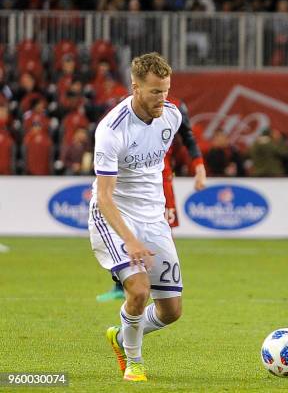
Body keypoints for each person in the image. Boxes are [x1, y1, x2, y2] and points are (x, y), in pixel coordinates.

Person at [89, 53, 186, 382]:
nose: (163, 99)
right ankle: (135, 363)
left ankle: (120, 335)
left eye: (167, 91)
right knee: (139, 290)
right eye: (155, 92)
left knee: (172, 311)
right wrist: (130, 239)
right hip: (115, 216)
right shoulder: (111, 130)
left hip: (153, 218)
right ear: (135, 88)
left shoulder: (172, 116)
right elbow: (103, 197)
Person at [96, 96, 206, 303]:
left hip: (161, 182)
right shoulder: (123, 112)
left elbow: (188, 137)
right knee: (128, 229)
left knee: (161, 230)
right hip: (131, 185)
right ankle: (125, 283)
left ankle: (158, 283)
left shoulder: (175, 109)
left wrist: (199, 167)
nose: (160, 95)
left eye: (164, 88)